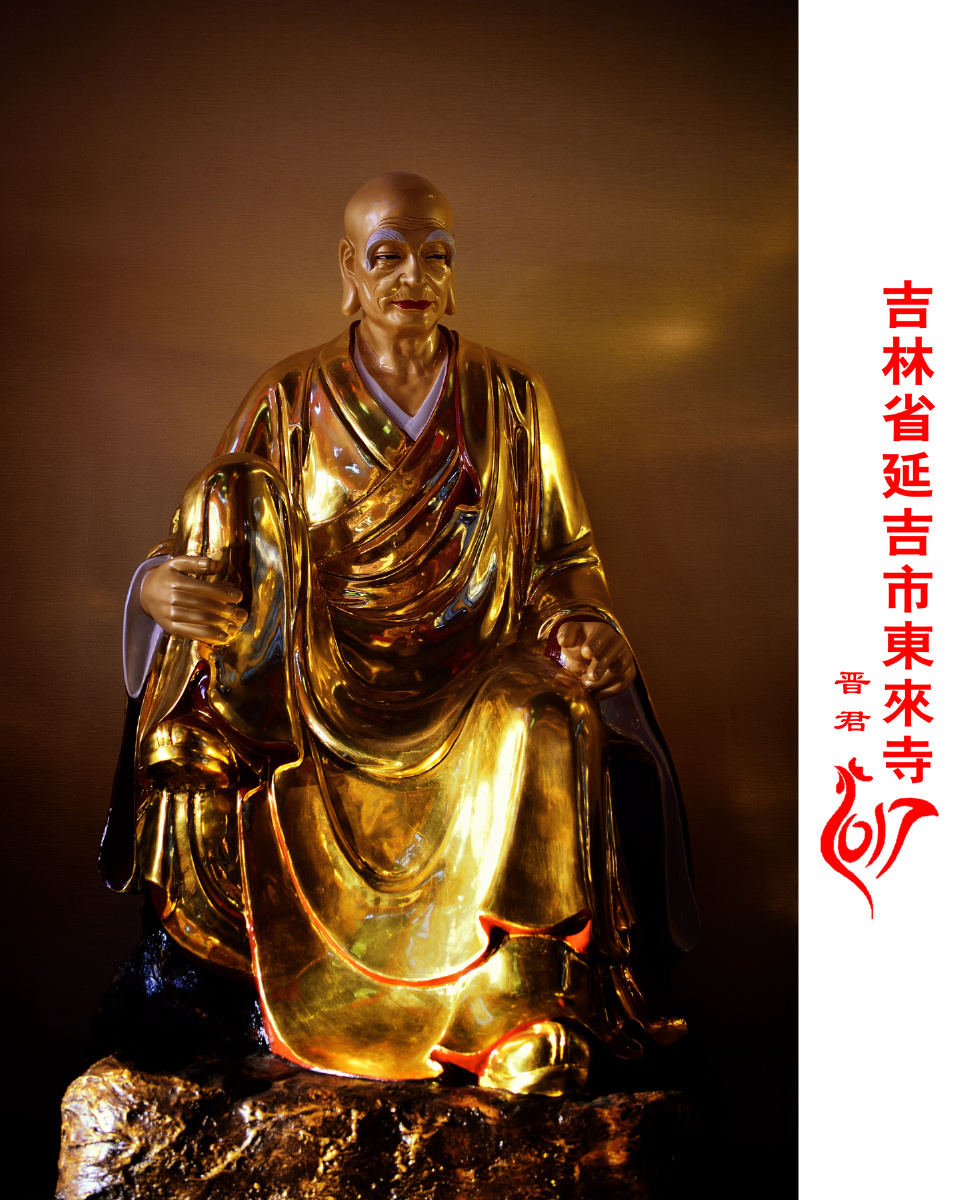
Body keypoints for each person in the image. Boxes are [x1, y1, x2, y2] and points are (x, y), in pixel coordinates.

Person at [99, 172, 698, 1095]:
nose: (412, 275)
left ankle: (519, 1002)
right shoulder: (290, 395)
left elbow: (562, 555)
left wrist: (583, 619)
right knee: (217, 693)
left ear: (453, 269)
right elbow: (218, 533)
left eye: (435, 255)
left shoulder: (510, 396)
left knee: (543, 720)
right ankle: (257, 993)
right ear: (349, 267)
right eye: (387, 256)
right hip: (319, 679)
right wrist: (156, 588)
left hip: (475, 671)